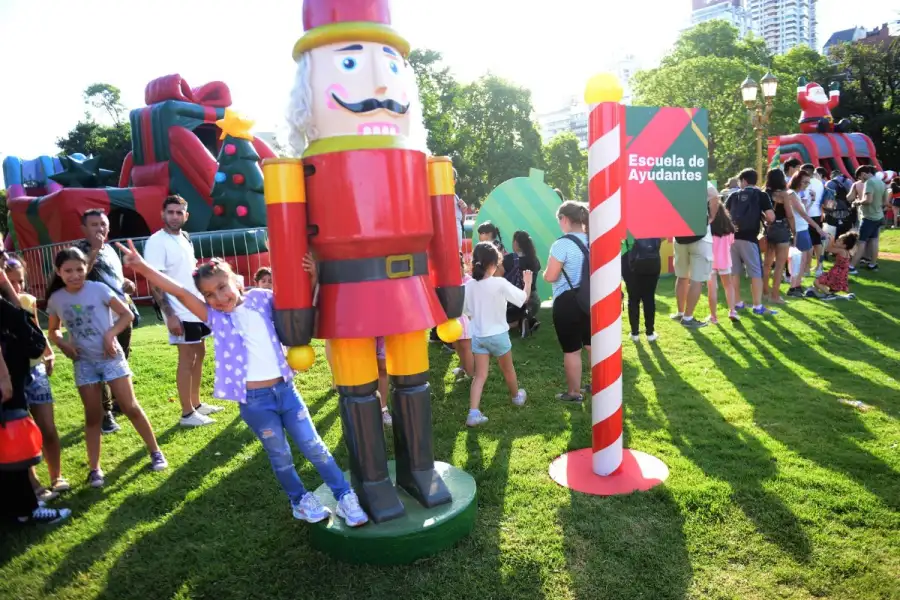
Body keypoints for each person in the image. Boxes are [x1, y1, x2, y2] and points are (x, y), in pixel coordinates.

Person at [119, 241, 369, 526]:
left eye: (222, 287)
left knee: (314, 446)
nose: (219, 297)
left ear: (235, 281)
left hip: (286, 391)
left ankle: (345, 495)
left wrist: (312, 277)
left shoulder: (261, 298)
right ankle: (300, 500)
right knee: (281, 455)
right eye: (209, 294)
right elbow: (180, 292)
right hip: (255, 402)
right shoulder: (214, 317)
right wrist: (143, 268)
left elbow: (295, 308)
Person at [45, 248, 167, 488]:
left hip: (111, 358)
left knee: (130, 407)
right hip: (84, 363)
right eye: (68, 271)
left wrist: (110, 334)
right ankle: (95, 469)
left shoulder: (99, 289)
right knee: (93, 416)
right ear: (59, 272)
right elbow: (53, 330)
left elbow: (127, 315)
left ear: (86, 268)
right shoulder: (56, 299)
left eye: (79, 269)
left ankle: (155, 452)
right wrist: (63, 344)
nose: (75, 275)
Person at [143, 196, 223, 427]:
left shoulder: (185, 238)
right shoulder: (156, 241)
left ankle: (196, 404)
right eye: (171, 212)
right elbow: (155, 281)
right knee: (187, 358)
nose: (175, 216)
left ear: (186, 216)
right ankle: (187, 413)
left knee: (200, 353)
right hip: (179, 311)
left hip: (195, 307)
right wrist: (170, 314)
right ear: (162, 214)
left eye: (179, 212)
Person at [0, 286, 71, 525]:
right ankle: (26, 509)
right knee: (10, 441)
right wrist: (3, 376)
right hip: (8, 386)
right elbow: (30, 337)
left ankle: (21, 508)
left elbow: (34, 339)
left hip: (15, 377)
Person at [75, 208, 136, 435]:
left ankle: (120, 400)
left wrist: (127, 284)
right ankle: (105, 413)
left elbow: (112, 277)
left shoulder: (109, 249)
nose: (100, 229)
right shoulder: (78, 251)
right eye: (94, 225)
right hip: (96, 318)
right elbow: (79, 276)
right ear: (84, 228)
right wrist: (94, 250)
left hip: (120, 314)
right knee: (100, 363)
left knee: (120, 358)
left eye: (103, 224)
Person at [463, 242, 530, 427]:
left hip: (478, 337)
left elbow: (466, 311)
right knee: (508, 369)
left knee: (479, 376)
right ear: (494, 264)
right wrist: (528, 283)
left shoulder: (469, 286)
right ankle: (516, 397)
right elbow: (522, 299)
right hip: (499, 335)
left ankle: (473, 413)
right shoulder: (499, 283)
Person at [543, 201, 591, 402]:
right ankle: (601, 384)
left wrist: (544, 274)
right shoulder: (594, 239)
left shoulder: (562, 244)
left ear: (564, 219)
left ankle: (574, 393)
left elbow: (551, 276)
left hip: (567, 301)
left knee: (572, 350)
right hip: (591, 299)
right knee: (592, 345)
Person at [726, 168, 776, 315]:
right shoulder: (761, 195)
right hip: (749, 239)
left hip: (732, 238)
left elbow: (725, 214)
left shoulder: (733, 195)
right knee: (755, 273)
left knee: (734, 272)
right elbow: (771, 217)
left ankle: (737, 302)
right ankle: (757, 306)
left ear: (744, 181)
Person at [671, 183, 719, 328]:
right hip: (700, 236)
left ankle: (680, 312)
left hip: (680, 235)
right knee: (696, 280)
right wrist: (711, 217)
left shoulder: (675, 179)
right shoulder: (699, 177)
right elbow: (713, 194)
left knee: (682, 277)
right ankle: (688, 317)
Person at [786, 171, 826, 298]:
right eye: (804, 182)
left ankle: (797, 285)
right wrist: (818, 228)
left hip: (803, 229)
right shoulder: (791, 194)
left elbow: (804, 212)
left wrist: (812, 201)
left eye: (808, 182)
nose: (806, 185)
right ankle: (794, 287)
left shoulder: (796, 194)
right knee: (799, 261)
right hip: (799, 230)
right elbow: (803, 215)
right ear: (797, 181)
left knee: (804, 260)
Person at [621, 236, 662, 341]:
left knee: (633, 298)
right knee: (649, 298)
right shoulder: (653, 226)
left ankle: (634, 333)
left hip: (629, 259)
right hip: (652, 259)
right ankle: (650, 333)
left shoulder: (625, 225)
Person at [762, 169, 792, 306]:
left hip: (768, 229)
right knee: (779, 265)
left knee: (767, 264)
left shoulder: (764, 193)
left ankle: (764, 293)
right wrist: (794, 230)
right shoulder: (783, 194)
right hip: (782, 228)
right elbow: (789, 214)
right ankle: (775, 296)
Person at [503, 230, 541, 336]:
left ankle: (519, 321)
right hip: (533, 301)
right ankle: (527, 318)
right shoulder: (534, 260)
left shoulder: (508, 259)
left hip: (512, 301)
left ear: (516, 243)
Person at [849, 166, 885, 274]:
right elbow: (885, 202)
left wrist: (857, 202)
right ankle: (873, 264)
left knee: (861, 242)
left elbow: (868, 200)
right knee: (874, 241)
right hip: (879, 216)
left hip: (868, 217)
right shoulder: (881, 182)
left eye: (860, 177)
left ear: (863, 174)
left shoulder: (869, 182)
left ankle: (851, 267)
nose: (861, 180)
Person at [708, 201, 737, 324]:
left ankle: (713, 317)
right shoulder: (729, 228)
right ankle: (732, 311)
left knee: (712, 289)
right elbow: (731, 243)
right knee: (728, 286)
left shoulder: (707, 228)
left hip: (710, 262)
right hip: (725, 261)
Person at [814, 232, 857, 299]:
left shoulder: (841, 251)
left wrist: (831, 240)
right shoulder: (846, 251)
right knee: (822, 281)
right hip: (840, 275)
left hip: (836, 274)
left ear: (844, 245)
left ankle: (829, 295)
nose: (836, 241)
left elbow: (828, 249)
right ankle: (829, 293)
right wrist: (832, 240)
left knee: (816, 282)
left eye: (839, 240)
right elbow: (833, 246)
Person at [452, 253, 475, 381]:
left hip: (465, 319)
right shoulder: (449, 281)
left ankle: (470, 374)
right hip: (453, 319)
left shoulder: (469, 282)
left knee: (466, 347)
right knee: (457, 345)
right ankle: (463, 367)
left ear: (462, 266)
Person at [802, 164, 827, 276]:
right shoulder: (819, 182)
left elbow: (805, 200)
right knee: (817, 242)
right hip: (817, 214)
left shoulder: (806, 182)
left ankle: (806, 269)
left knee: (808, 243)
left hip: (807, 214)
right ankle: (819, 266)